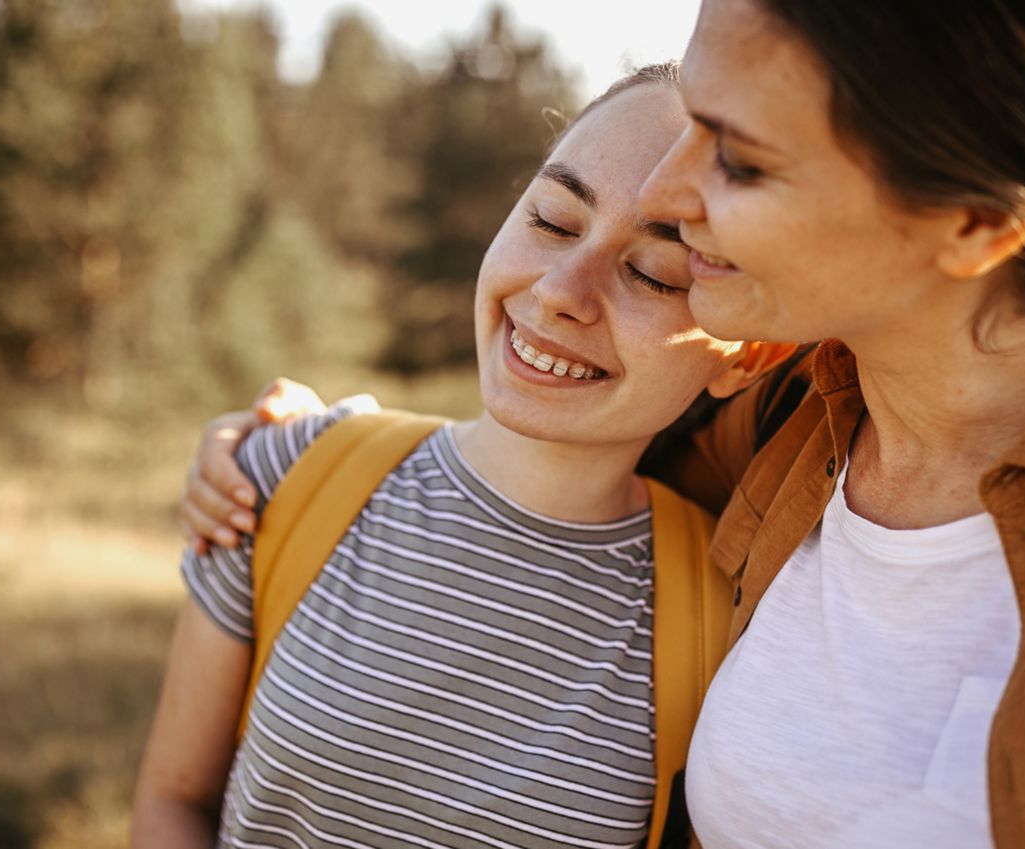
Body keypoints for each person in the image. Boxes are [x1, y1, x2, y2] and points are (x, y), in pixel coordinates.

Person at [181, 0, 1025, 846]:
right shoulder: (784, 429)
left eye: (739, 156)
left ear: (972, 221)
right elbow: (544, 446)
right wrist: (304, 449)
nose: (673, 193)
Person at [130, 64, 796, 849]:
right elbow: (174, 800)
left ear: (747, 355)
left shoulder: (735, 620)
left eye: (652, 272)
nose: (559, 290)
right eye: (551, 220)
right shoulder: (287, 476)